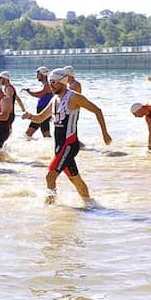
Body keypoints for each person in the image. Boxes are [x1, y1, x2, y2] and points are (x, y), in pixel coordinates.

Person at [22, 68, 112, 206]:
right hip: (59, 147)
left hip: (69, 145)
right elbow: (40, 118)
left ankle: (49, 207)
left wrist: (105, 134)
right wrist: (29, 115)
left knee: (50, 176)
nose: (50, 85)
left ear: (62, 82)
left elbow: (97, 110)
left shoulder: (74, 97)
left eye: (54, 82)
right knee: (75, 179)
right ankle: (91, 205)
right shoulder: (54, 99)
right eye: (50, 82)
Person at [23, 66, 52, 139]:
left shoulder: (47, 84)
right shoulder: (45, 84)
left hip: (43, 112)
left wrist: (29, 92)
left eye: (38, 74)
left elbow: (40, 94)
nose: (36, 76)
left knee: (46, 135)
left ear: (42, 74)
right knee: (28, 133)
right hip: (41, 111)